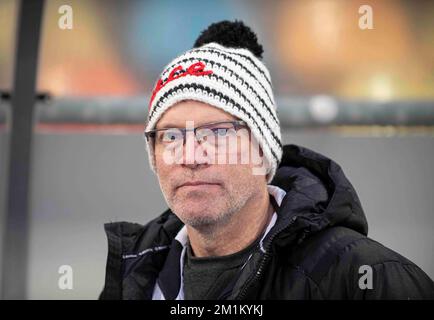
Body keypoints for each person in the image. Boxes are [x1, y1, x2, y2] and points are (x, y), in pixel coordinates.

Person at [100, 20, 434, 300]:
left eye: (217, 133)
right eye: (171, 136)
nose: (190, 156)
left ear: (262, 151)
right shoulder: (134, 275)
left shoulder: (367, 281)